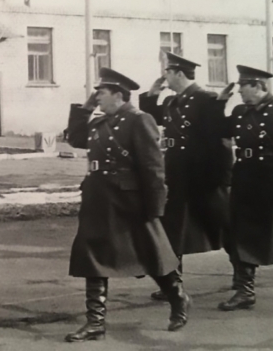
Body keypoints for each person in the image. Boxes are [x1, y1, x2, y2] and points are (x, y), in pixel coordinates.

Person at [64, 67, 190, 342]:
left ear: (118, 95)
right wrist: (85, 109)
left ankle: (178, 297)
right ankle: (95, 323)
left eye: (101, 93)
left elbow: (153, 167)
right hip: (98, 200)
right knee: (92, 257)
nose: (97, 97)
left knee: (152, 255)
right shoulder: (99, 122)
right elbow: (74, 138)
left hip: (129, 203)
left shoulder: (139, 120)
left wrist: (155, 208)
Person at [138, 52, 234, 300]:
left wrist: (221, 178)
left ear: (179, 74)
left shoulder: (206, 98)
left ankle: (245, 282)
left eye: (168, 73)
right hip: (177, 175)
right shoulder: (172, 101)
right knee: (172, 229)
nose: (165, 77)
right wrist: (152, 94)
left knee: (224, 227)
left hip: (204, 177)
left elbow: (221, 141)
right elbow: (152, 117)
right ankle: (173, 285)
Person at [214, 65, 273, 311]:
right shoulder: (239, 111)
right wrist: (220, 103)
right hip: (246, 182)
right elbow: (218, 129)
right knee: (239, 235)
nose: (240, 91)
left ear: (258, 86)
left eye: (243, 86)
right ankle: (244, 291)